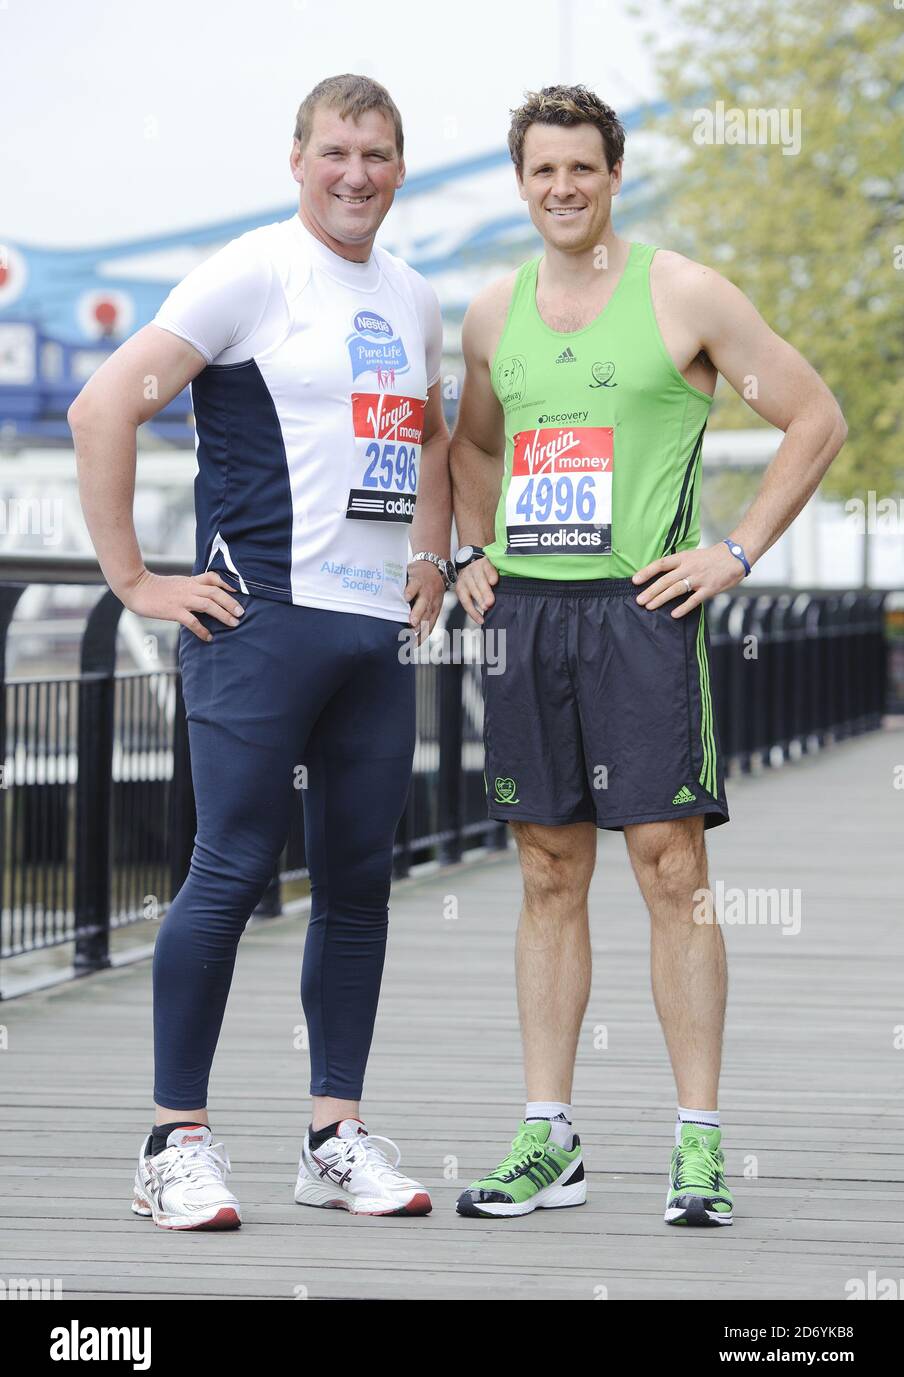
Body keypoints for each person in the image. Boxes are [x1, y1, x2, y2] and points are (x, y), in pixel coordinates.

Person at [449, 85, 846, 1225]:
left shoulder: (683, 292)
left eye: (582, 168)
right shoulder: (492, 315)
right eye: (541, 172)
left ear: (614, 175)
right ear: (520, 183)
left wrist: (735, 548)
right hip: (528, 618)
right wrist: (473, 547)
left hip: (641, 614)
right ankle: (548, 1140)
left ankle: (699, 1146)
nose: (562, 189)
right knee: (544, 870)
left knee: (672, 870)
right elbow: (471, 445)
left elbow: (813, 417)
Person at [69, 74, 453, 1229]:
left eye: (377, 154)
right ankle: (171, 1141)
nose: (356, 174)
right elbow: (102, 407)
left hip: (375, 634)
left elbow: (428, 437)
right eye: (336, 151)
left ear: (399, 165)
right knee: (230, 870)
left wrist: (435, 553)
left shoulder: (416, 294)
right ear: (297, 159)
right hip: (258, 624)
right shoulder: (250, 273)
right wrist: (132, 579)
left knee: (358, 886)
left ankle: (334, 1136)